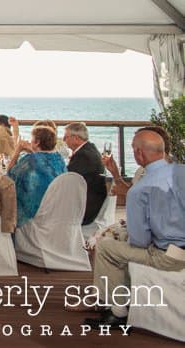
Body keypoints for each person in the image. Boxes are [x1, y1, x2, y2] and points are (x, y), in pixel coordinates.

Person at [84, 128, 185, 329]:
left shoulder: (139, 190)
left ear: (139, 154)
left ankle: (117, 313)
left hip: (171, 257)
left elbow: (139, 241)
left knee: (106, 248)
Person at [6, 125, 66, 227]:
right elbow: (44, 164)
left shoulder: (30, 160)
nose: (30, 141)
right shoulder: (59, 158)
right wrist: (33, 151)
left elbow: (9, 175)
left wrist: (18, 150)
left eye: (32, 139)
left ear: (37, 142)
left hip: (34, 214)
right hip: (54, 209)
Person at [63, 122, 107, 226]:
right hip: (93, 202)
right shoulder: (90, 149)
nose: (64, 140)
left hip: (86, 210)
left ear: (76, 138)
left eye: (66, 136)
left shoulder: (83, 156)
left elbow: (65, 180)